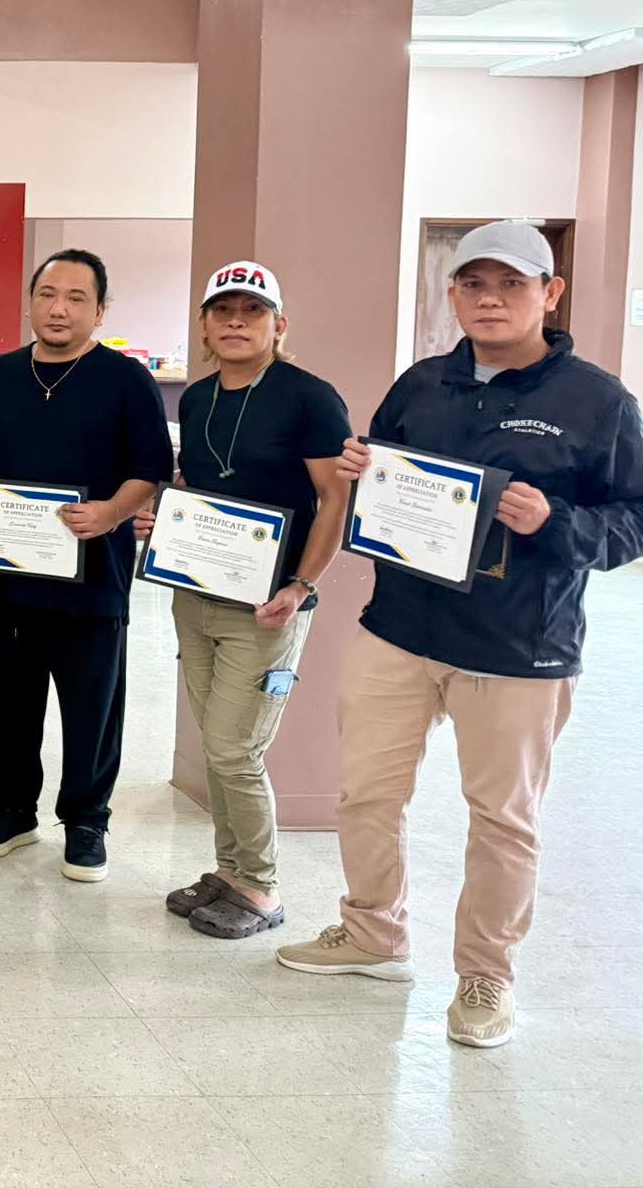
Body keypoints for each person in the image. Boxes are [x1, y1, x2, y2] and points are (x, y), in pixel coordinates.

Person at [276, 220, 643, 1049]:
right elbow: (382, 480)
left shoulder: (598, 401)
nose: (488, 299)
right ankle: (373, 932)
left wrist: (558, 522)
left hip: (519, 648)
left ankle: (486, 975)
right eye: (473, 284)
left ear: (549, 294)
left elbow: (633, 521)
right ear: (453, 295)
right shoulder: (422, 385)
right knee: (367, 793)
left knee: (502, 818)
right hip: (400, 630)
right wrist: (358, 476)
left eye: (511, 285)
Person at [0, 249, 172, 881]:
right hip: (8, 577)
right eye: (48, 294)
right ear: (29, 300)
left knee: (92, 703)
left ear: (99, 310)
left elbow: (149, 470)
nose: (58, 308)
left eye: (76, 298)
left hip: (92, 576)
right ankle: (13, 808)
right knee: (8, 697)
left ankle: (85, 820)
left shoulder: (126, 380)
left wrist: (110, 514)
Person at [145, 261, 349, 937]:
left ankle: (260, 888)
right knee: (216, 742)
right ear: (204, 325)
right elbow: (199, 491)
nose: (237, 322)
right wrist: (164, 523)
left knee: (237, 749)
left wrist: (302, 585)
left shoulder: (309, 398)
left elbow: (334, 500)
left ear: (278, 325)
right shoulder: (198, 399)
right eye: (224, 311)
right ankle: (229, 872)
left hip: (269, 606)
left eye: (252, 312)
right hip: (197, 596)